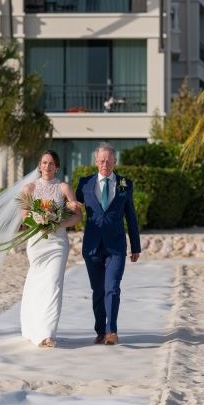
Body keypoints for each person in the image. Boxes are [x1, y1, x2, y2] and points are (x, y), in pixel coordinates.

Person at [75, 142, 141, 346]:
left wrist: (135, 246)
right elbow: (72, 207)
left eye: (109, 160)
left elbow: (131, 216)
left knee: (112, 287)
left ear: (115, 161)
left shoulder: (125, 184)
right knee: (98, 290)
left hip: (116, 246)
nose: (105, 164)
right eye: (102, 161)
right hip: (92, 246)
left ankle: (112, 330)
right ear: (96, 162)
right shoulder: (85, 183)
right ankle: (100, 331)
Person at [20, 150, 82, 348]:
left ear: (57, 166)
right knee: (38, 284)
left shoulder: (64, 188)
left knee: (54, 284)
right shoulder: (28, 189)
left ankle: (48, 334)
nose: (47, 166)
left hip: (58, 243)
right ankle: (33, 327)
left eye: (51, 163)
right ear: (39, 165)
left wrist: (56, 224)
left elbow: (77, 217)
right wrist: (40, 220)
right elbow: (25, 218)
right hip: (37, 243)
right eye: (45, 162)